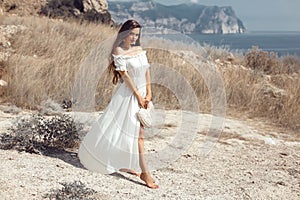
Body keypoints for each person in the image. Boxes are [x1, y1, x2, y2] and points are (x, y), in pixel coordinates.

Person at [78, 19, 159, 189]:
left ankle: (127, 164)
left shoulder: (139, 49)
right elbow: (126, 77)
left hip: (143, 94)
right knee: (138, 135)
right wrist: (138, 95)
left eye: (137, 35)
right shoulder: (118, 50)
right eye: (131, 34)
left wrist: (149, 93)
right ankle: (145, 173)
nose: (134, 38)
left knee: (133, 132)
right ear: (123, 33)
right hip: (129, 95)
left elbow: (146, 72)